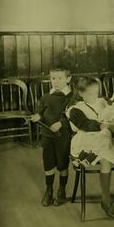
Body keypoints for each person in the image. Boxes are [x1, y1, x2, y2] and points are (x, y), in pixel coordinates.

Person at [66, 77, 114, 219]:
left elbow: (112, 114)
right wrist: (103, 125)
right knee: (106, 160)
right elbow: (85, 124)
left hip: (106, 138)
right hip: (88, 141)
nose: (94, 96)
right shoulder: (76, 109)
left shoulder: (102, 102)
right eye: (90, 94)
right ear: (81, 93)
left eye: (96, 93)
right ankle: (105, 200)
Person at [30, 65, 74, 207]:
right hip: (47, 135)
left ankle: (61, 190)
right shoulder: (46, 97)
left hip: (63, 135)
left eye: (60, 78)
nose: (56, 81)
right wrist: (37, 116)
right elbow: (39, 111)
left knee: (62, 163)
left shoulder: (72, 97)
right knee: (48, 163)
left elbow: (74, 116)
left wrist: (61, 123)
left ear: (68, 79)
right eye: (53, 78)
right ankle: (49, 190)